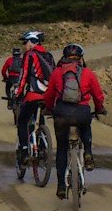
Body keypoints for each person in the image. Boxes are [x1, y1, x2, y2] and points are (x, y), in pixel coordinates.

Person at [43, 43, 106, 199]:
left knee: (62, 148)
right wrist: (99, 108)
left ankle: (61, 187)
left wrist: (49, 108)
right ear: (81, 58)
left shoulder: (57, 73)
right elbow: (98, 95)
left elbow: (49, 95)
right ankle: (88, 153)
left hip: (62, 113)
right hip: (82, 112)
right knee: (86, 128)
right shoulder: (88, 73)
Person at [13, 30, 55, 168]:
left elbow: (24, 75)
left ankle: (25, 152)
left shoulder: (30, 55)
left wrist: (17, 94)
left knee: (22, 121)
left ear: (32, 42)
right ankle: (42, 145)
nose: (24, 45)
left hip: (34, 95)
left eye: (26, 42)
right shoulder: (49, 56)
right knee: (41, 117)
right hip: (49, 96)